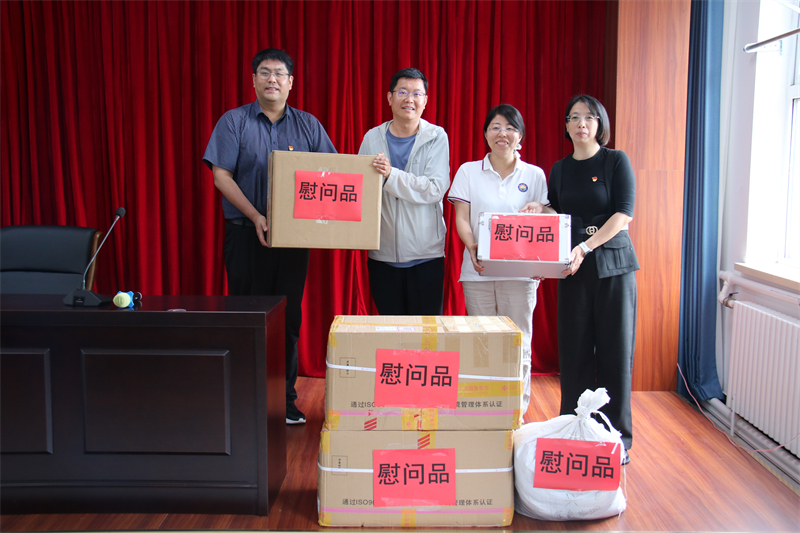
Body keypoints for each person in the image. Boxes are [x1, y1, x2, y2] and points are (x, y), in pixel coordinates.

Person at [203, 48, 337, 425]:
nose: (272, 79)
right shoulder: (234, 122)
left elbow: (331, 173)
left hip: (292, 240)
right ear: (253, 80)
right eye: (265, 72)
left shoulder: (308, 125)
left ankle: (284, 399)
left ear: (291, 82)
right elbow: (221, 176)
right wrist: (256, 215)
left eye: (279, 73)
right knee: (248, 317)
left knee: (287, 319)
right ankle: (245, 400)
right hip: (246, 234)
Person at [547, 94, 640, 463]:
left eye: (588, 117)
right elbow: (558, 213)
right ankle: (575, 429)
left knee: (615, 352)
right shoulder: (559, 169)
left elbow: (623, 214)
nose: (581, 123)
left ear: (600, 123)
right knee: (574, 353)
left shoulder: (616, 161)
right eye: (573, 117)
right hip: (573, 269)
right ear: (566, 126)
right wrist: (542, 209)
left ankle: (617, 439)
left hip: (613, 266)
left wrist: (586, 246)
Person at [448, 104, 551, 415]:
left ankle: (515, 412)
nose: (502, 133)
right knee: (482, 343)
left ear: (520, 136)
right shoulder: (468, 171)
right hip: (478, 272)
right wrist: (471, 246)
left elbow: (547, 220)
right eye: (495, 127)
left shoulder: (534, 175)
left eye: (509, 127)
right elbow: (462, 217)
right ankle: (483, 409)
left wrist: (539, 209)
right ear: (485, 134)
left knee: (518, 344)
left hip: (520, 277)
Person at [358, 68, 450, 315]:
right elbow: (361, 191)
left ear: (425, 101)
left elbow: (435, 189)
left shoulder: (436, 137)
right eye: (402, 92)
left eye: (417, 94)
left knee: (426, 333)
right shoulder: (372, 138)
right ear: (390, 98)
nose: (410, 99)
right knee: (391, 333)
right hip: (382, 257)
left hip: (426, 257)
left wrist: (391, 175)